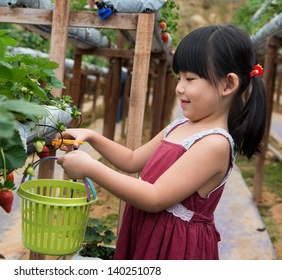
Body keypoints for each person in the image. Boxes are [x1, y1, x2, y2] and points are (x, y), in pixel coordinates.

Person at [55, 24, 266, 260]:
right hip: (151, 232)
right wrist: (91, 136)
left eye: (190, 78)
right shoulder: (178, 126)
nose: (179, 88)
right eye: (179, 78)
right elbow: (132, 160)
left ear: (228, 84)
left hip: (174, 247)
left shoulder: (214, 144)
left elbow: (155, 197)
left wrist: (90, 167)